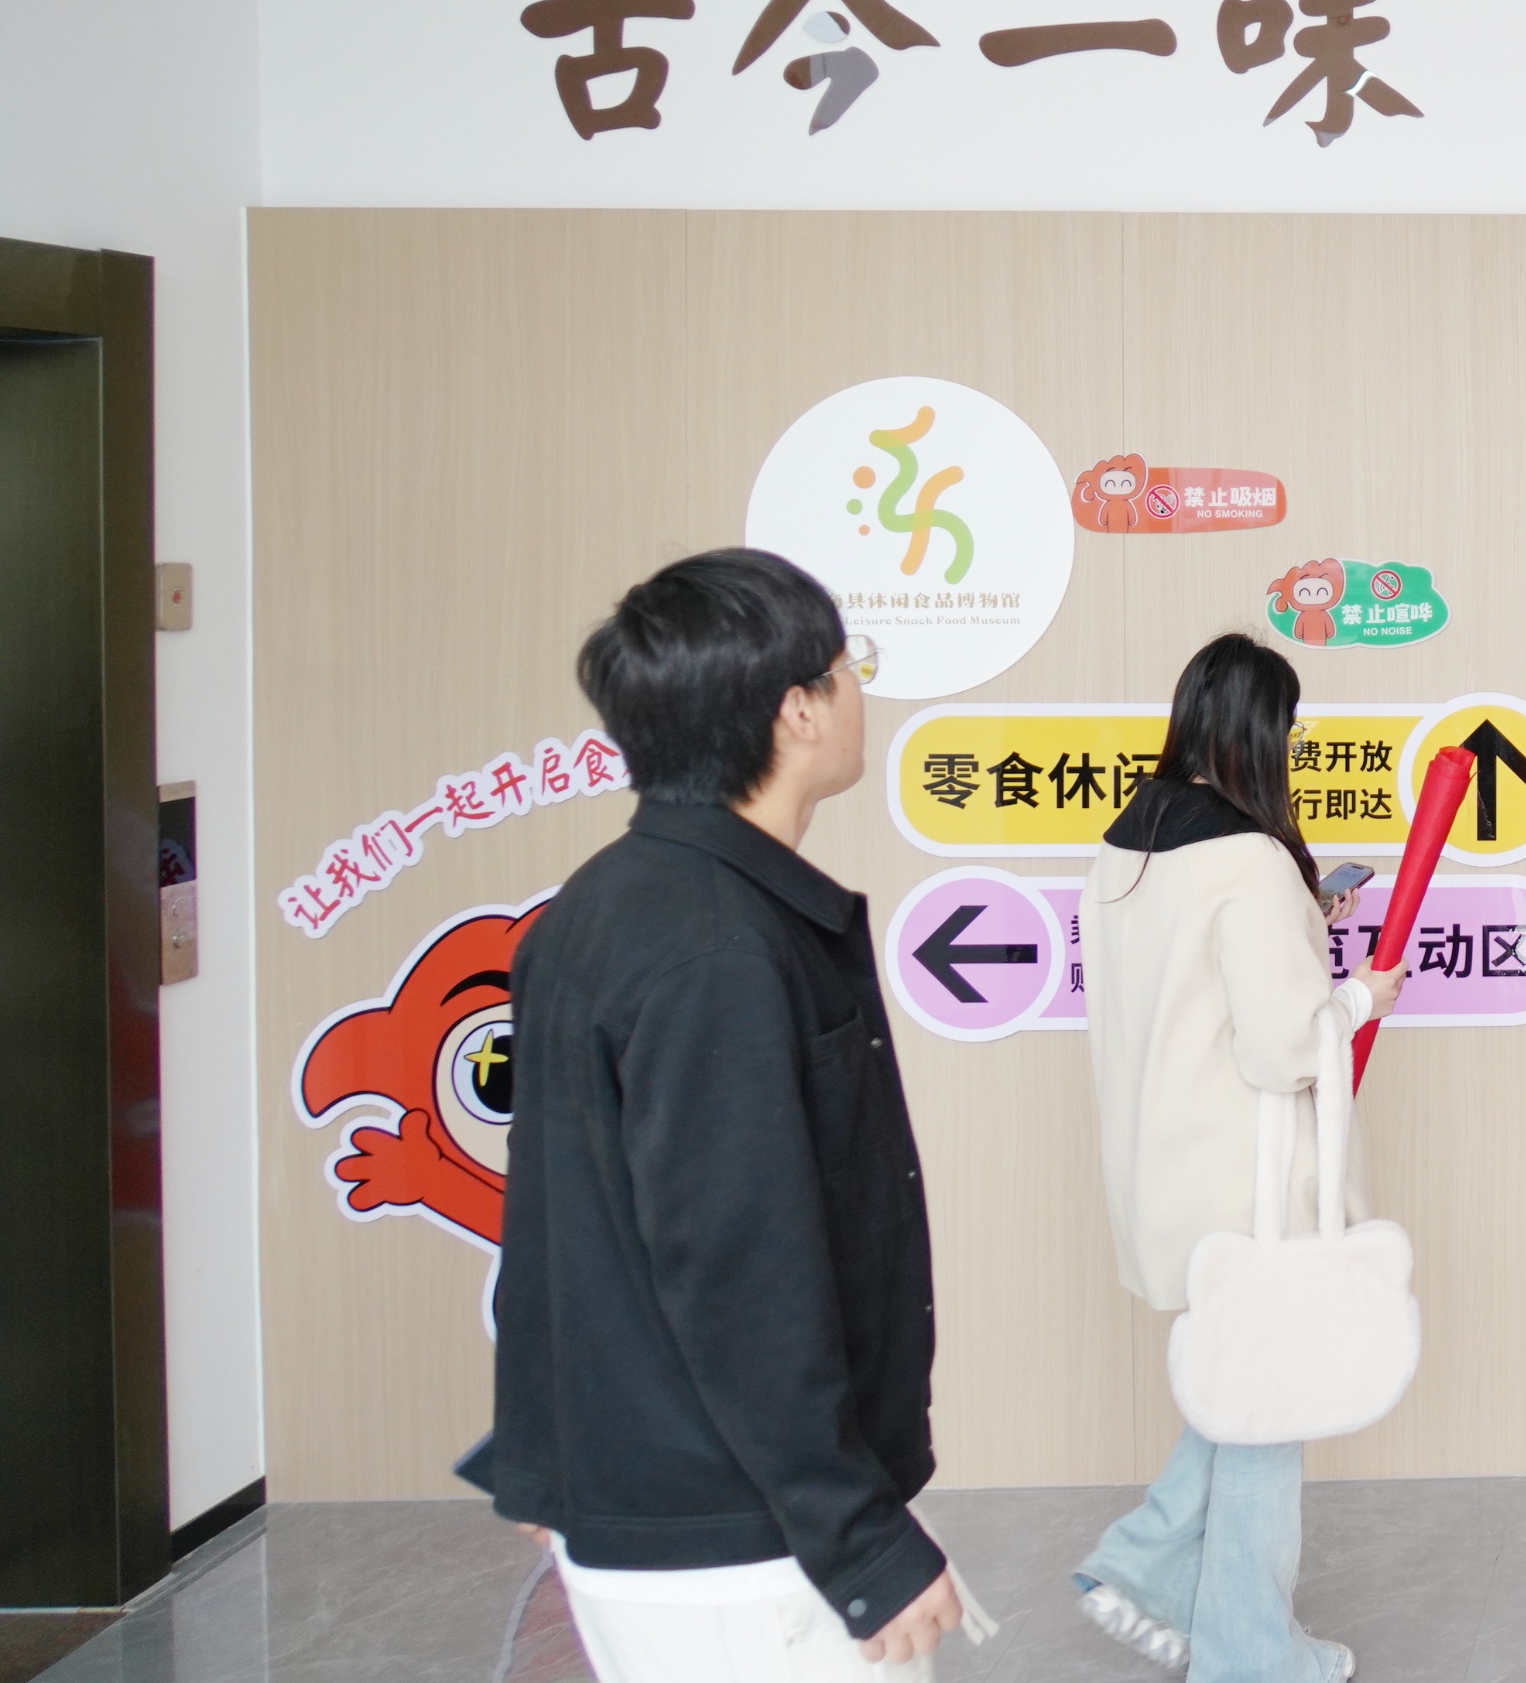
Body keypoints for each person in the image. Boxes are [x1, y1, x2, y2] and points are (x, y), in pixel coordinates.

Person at [468, 550, 979, 1682]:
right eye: (849, 666)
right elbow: (743, 1273)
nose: (859, 692)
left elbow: (558, 1214)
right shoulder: (717, 950)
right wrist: (863, 1543)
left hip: (672, 1506)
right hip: (741, 1545)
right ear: (799, 709)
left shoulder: (602, 905)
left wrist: (541, 1448)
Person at [1072, 634, 1409, 1683]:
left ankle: (1141, 1566)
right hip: (1247, 1185)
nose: (1296, 747)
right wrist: (1359, 996)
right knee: (1268, 1408)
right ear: (1262, 734)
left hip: (1164, 1176)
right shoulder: (1251, 860)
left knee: (1240, 1387)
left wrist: (1305, 921)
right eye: (1292, 729)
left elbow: (1191, 985)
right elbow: (1282, 1046)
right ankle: (1251, 1655)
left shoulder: (1127, 840)